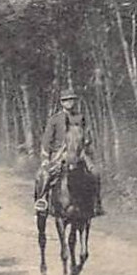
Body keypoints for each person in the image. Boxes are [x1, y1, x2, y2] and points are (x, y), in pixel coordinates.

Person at [34, 88, 105, 216]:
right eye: (66, 100)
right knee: (43, 175)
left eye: (71, 100)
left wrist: (87, 148)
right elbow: (46, 141)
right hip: (59, 154)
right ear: (62, 102)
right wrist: (45, 158)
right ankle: (42, 201)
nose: (69, 103)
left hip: (79, 152)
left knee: (95, 173)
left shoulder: (80, 117)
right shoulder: (55, 119)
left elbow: (87, 137)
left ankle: (96, 204)